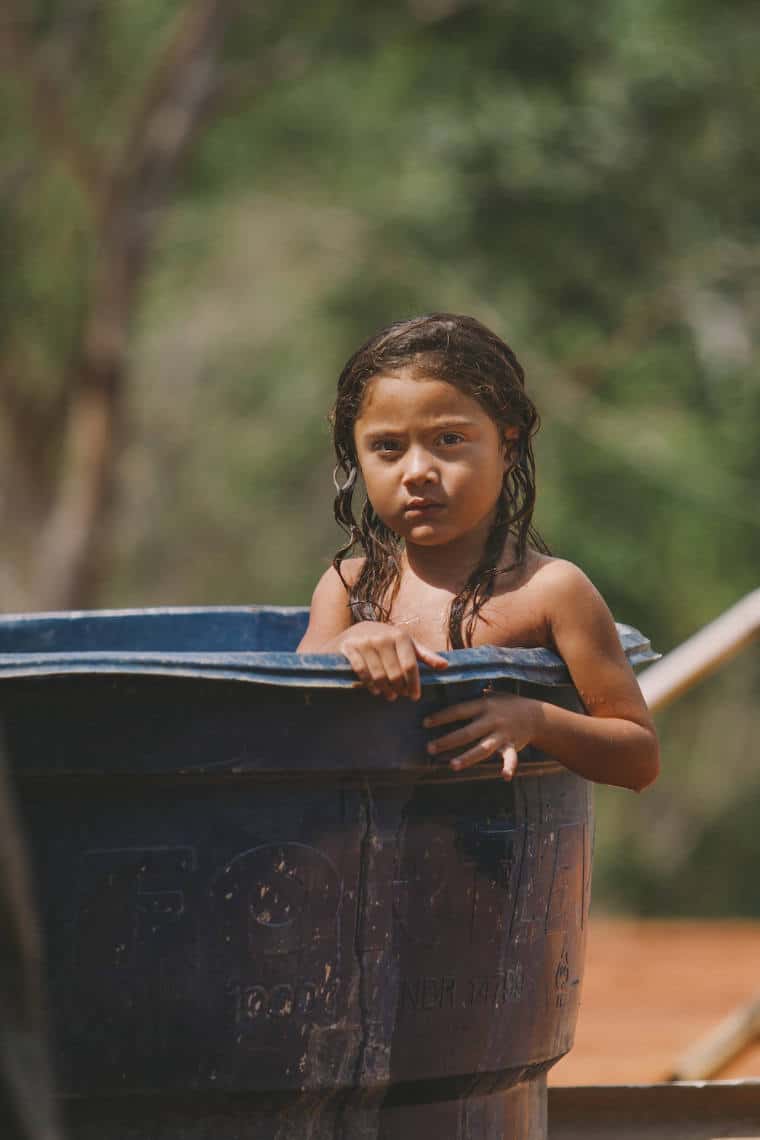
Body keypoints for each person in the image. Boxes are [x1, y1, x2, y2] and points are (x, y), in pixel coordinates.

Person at [297, 313, 659, 791]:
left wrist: (536, 721)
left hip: (505, 858)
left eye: (449, 440)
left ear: (507, 446)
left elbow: (638, 758)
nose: (418, 471)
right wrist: (343, 647)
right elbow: (291, 719)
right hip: (363, 854)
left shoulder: (550, 593)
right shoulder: (349, 588)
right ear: (357, 458)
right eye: (387, 446)